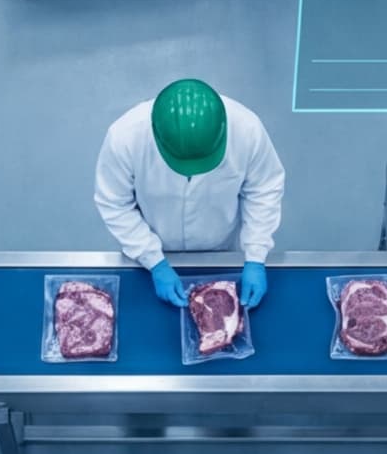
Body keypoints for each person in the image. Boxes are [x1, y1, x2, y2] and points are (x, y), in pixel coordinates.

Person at [94, 79, 284, 311]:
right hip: (152, 242)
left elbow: (264, 190)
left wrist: (256, 256)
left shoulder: (248, 130)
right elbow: (115, 204)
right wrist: (155, 262)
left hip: (221, 245)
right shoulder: (124, 137)